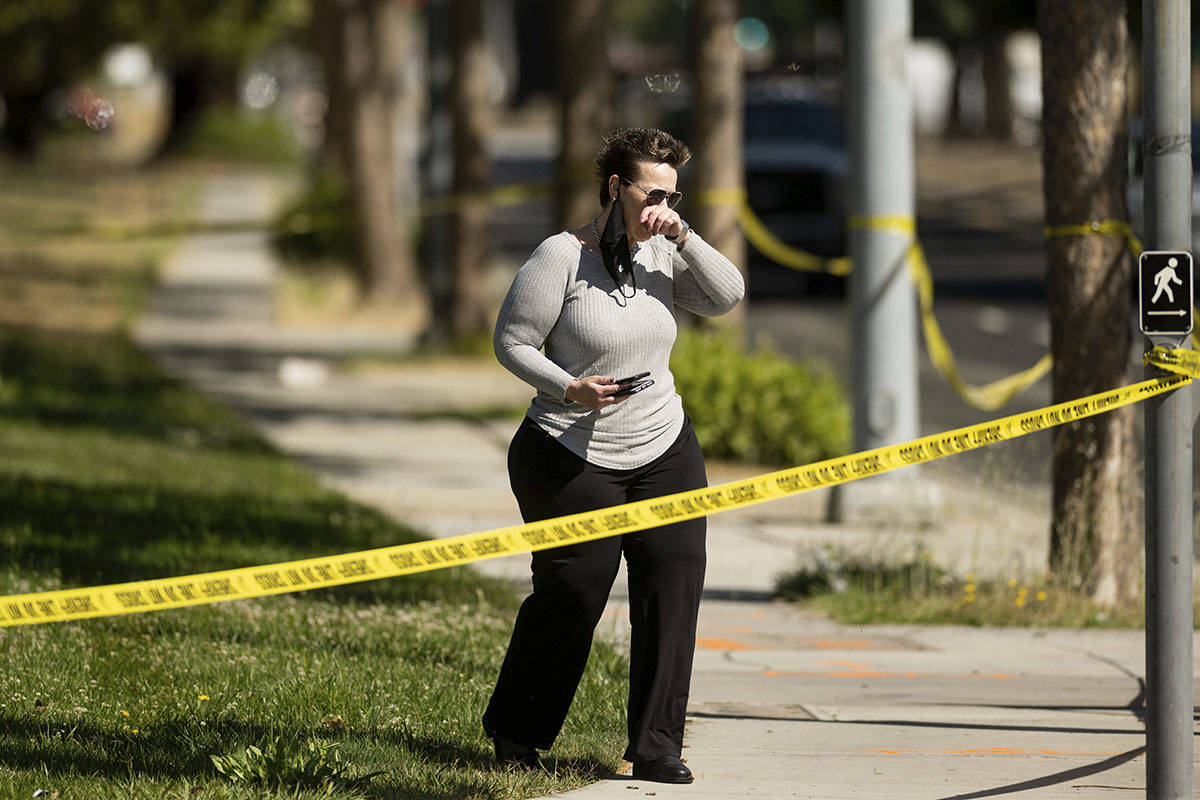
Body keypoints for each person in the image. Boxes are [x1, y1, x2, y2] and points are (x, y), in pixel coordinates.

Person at [481, 127, 744, 785]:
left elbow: (726, 295)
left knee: (673, 585)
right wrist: (568, 385)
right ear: (614, 187)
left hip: (664, 448)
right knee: (574, 591)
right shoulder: (561, 257)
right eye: (654, 192)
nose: (664, 204)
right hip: (569, 451)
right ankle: (517, 733)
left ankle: (657, 747)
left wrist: (683, 235)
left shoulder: (665, 250)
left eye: (674, 194)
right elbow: (512, 342)